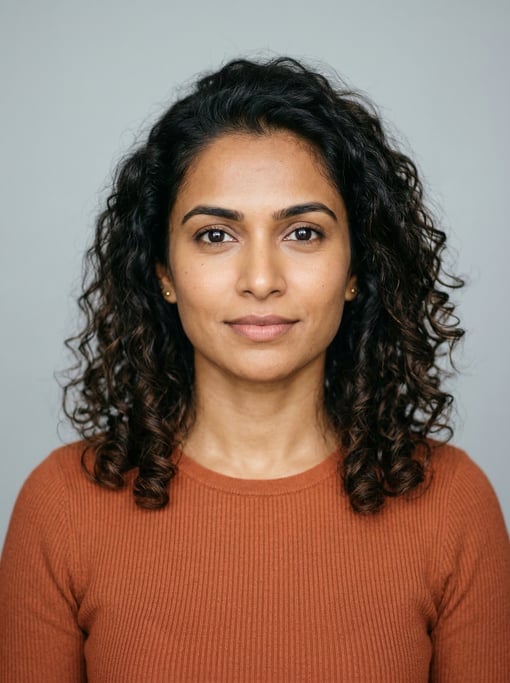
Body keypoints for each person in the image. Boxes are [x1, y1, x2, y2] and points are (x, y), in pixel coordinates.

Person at [0, 56, 508, 682]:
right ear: (163, 272)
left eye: (303, 233)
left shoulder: (453, 504)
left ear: (355, 270)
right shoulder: (61, 506)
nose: (261, 281)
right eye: (216, 235)